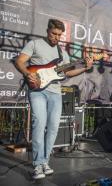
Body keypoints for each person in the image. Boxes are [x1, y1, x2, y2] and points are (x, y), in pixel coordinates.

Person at [15, 19, 94, 180]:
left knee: (52, 128)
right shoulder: (35, 44)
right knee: (39, 124)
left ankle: (45, 162)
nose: (56, 37)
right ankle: (37, 165)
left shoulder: (62, 53)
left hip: (55, 92)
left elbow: (67, 73)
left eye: (59, 35)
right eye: (54, 34)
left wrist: (85, 67)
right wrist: (27, 73)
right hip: (37, 91)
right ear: (47, 30)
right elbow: (20, 61)